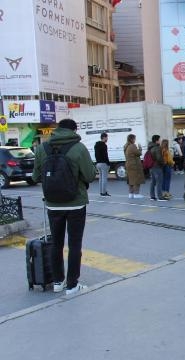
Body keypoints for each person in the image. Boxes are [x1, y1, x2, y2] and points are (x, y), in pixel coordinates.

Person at [32, 119, 97, 295]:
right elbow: (90, 176)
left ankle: (58, 282)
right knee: (75, 245)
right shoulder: (79, 148)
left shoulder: (42, 148)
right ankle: (72, 285)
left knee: (56, 244)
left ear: (57, 129)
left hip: (53, 204)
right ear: (74, 130)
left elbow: (35, 176)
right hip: (76, 203)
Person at [124, 134, 145, 198]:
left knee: (130, 180)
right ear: (132, 139)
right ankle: (136, 194)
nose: (135, 140)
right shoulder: (132, 146)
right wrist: (140, 148)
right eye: (134, 139)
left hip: (128, 164)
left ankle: (130, 194)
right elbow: (139, 153)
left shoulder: (126, 146)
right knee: (136, 179)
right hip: (134, 165)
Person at [148, 134, 167, 201]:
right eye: (159, 139)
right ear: (156, 141)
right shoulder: (157, 148)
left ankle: (152, 196)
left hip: (151, 167)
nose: (160, 140)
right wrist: (163, 163)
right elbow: (159, 158)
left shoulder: (150, 147)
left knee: (153, 182)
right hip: (157, 166)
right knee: (159, 182)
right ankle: (160, 197)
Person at [94, 132, 110, 196]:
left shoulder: (96, 145)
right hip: (103, 164)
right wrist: (108, 163)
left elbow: (96, 154)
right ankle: (104, 192)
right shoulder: (104, 145)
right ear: (104, 137)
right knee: (104, 178)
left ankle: (101, 191)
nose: (107, 139)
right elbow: (105, 155)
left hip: (98, 163)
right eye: (106, 137)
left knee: (100, 178)